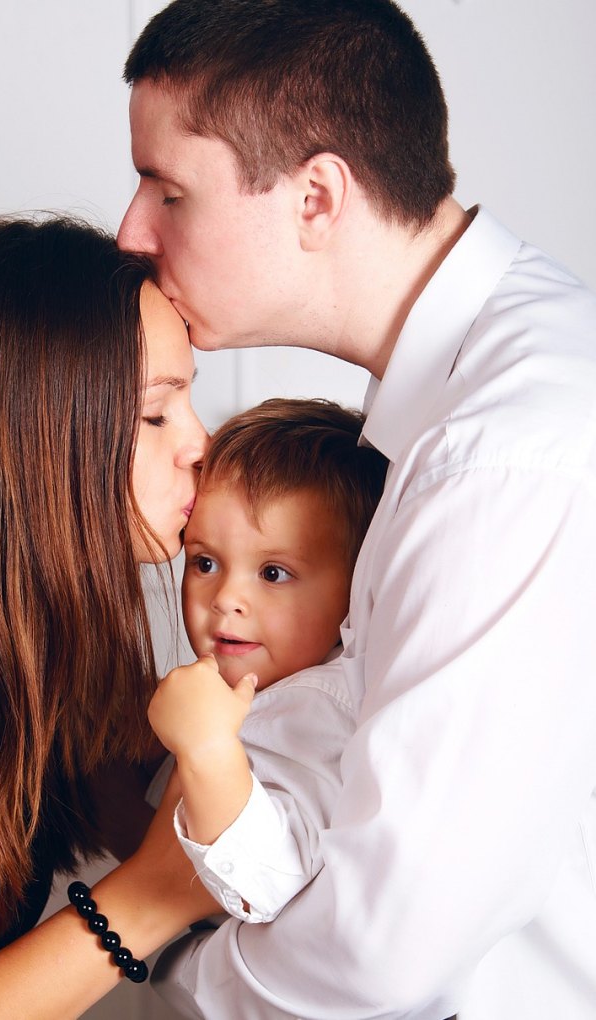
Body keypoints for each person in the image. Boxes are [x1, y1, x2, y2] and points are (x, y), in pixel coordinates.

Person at [117, 1, 596, 1018]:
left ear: (315, 199)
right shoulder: (476, 409)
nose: (131, 232)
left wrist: (170, 996)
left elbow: (382, 954)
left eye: (169, 190)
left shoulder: (501, 459)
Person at [0, 213, 218, 1016]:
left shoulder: (40, 638)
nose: (199, 443)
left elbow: (175, 832)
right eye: (154, 414)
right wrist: (146, 903)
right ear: (34, 435)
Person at [148, 398, 387, 925]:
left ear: (356, 587)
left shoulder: (316, 708)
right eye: (205, 562)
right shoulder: (255, 692)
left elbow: (271, 882)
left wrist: (207, 749)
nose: (226, 597)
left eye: (274, 573)